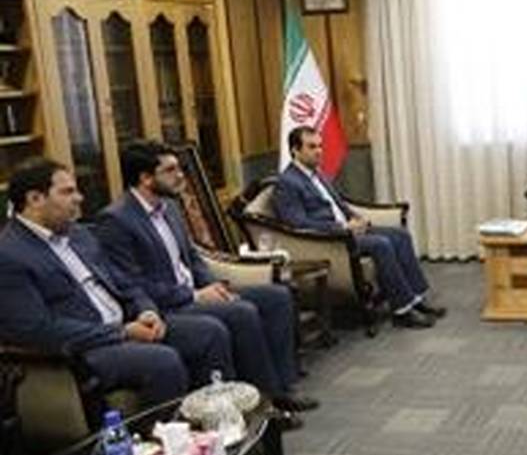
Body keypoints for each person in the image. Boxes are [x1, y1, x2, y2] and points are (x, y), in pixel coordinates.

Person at [95, 141, 317, 418]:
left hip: (197, 293)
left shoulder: (169, 207)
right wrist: (194, 295)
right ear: (145, 178)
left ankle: (283, 389)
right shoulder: (116, 221)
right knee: (242, 313)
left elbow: (192, 257)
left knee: (276, 297)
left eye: (179, 169)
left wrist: (213, 285)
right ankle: (262, 406)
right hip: (167, 306)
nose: (180, 176)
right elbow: (131, 284)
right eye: (170, 170)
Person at [0, 158, 234, 405]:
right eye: (67, 192)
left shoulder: (78, 234)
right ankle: (170, 429)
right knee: (162, 361)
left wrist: (146, 311)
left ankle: (221, 418)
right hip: (84, 350)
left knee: (209, 332)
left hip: (126, 325)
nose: (79, 198)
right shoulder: (10, 255)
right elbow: (35, 330)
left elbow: (123, 282)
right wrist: (121, 332)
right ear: (35, 199)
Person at [273, 125, 445, 328]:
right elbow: (297, 223)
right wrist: (342, 228)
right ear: (295, 150)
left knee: (400, 235)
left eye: (320, 146)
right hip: (332, 238)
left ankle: (416, 299)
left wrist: (356, 218)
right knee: (381, 244)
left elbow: (338, 203)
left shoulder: (316, 173)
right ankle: (402, 311)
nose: (319, 151)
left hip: (348, 229)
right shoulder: (287, 183)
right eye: (312, 147)